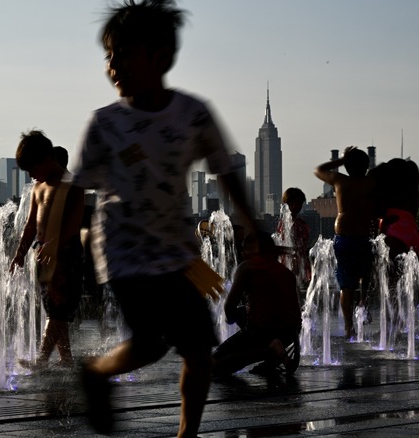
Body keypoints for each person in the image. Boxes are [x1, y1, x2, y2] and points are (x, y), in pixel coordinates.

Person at [71, 2, 258, 435]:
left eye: (122, 53)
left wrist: (252, 225)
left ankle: (185, 434)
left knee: (197, 350)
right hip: (123, 253)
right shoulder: (104, 124)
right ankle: (98, 371)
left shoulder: (192, 114)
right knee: (151, 344)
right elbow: (78, 190)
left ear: (160, 57)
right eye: (108, 55)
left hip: (176, 253)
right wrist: (68, 252)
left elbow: (226, 172)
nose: (111, 64)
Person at [9, 130, 85, 369]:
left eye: (33, 169)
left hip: (66, 252)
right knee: (53, 307)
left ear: (47, 159)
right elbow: (31, 224)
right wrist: (19, 253)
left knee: (60, 309)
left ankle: (42, 359)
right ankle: (66, 359)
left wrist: (56, 244)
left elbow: (74, 222)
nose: (31, 175)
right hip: (42, 253)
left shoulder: (71, 184)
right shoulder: (39, 187)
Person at [212, 232, 301, 377]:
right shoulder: (286, 272)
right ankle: (272, 355)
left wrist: (230, 319)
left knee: (211, 365)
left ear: (252, 250)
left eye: (244, 249)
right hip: (291, 334)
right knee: (243, 311)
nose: (241, 252)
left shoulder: (247, 267)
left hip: (260, 332)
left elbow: (229, 306)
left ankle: (269, 347)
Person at [314, 146, 376, 340]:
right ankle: (363, 302)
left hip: (345, 237)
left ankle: (350, 327)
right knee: (366, 276)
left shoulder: (341, 181)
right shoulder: (370, 183)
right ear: (366, 167)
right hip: (362, 237)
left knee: (346, 286)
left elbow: (318, 170)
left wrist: (341, 160)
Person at [369, 159, 419, 257]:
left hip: (392, 233)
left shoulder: (386, 195)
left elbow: (377, 212)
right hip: (411, 233)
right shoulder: (411, 196)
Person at [276, 187, 311, 285]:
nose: (298, 206)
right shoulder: (285, 224)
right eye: (295, 202)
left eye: (300, 203)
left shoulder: (300, 223)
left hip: (302, 262)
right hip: (291, 262)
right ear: (287, 203)